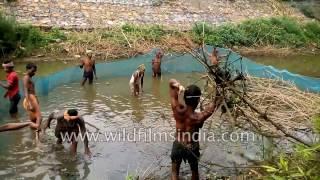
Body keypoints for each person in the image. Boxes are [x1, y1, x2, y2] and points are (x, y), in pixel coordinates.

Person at [169, 79, 221, 180]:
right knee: (194, 172)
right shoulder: (198, 117)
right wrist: (219, 86)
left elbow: (171, 84)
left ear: (184, 97)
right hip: (191, 147)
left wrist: (178, 85)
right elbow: (215, 103)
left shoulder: (177, 110)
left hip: (178, 144)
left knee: (174, 172)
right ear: (197, 100)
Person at [22, 63, 42, 140]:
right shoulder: (26, 78)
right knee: (39, 118)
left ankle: (33, 136)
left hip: (32, 98)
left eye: (35, 71)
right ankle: (37, 139)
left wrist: (35, 99)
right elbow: (26, 90)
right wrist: (29, 102)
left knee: (33, 119)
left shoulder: (28, 77)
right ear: (28, 69)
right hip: (30, 99)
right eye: (33, 71)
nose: (34, 73)